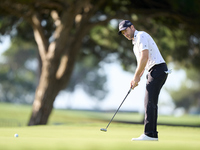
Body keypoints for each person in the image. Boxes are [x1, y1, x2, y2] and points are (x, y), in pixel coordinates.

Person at [118, 20, 169, 141]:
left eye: (126, 30)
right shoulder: (135, 43)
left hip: (157, 69)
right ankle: (152, 134)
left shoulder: (140, 35)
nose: (125, 33)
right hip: (154, 71)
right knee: (150, 101)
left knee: (149, 102)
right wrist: (136, 78)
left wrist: (136, 77)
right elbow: (142, 64)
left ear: (132, 27)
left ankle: (150, 134)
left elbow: (144, 57)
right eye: (123, 32)